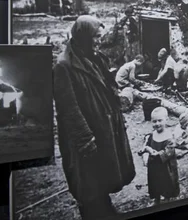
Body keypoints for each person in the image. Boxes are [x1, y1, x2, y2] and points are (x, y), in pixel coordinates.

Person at [53, 15, 135, 219]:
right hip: (86, 138)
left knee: (102, 175)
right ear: (83, 36)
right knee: (88, 183)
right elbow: (68, 109)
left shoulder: (92, 57)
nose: (100, 40)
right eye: (96, 37)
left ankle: (105, 208)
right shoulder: (64, 66)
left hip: (101, 129)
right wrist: (86, 140)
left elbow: (105, 86)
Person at [139, 107, 179, 206]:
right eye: (154, 121)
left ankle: (167, 198)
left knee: (166, 182)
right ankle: (156, 198)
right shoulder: (152, 135)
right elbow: (146, 144)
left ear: (166, 120)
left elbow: (169, 152)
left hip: (165, 166)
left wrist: (156, 153)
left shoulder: (169, 137)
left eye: (160, 120)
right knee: (155, 182)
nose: (157, 124)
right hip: (154, 166)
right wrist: (144, 151)